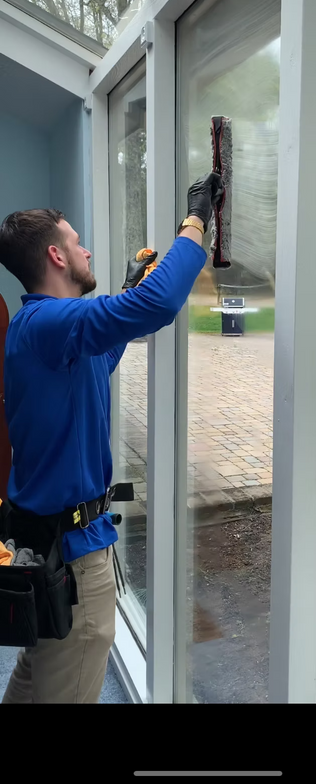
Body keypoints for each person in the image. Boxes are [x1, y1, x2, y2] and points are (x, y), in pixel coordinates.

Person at [0, 171, 223, 704]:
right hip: (72, 561)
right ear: (56, 257)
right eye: (79, 244)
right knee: (67, 681)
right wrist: (196, 223)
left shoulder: (47, 331)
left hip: (49, 545)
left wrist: (125, 291)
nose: (88, 251)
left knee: (37, 676)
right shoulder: (50, 323)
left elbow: (100, 359)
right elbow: (158, 306)